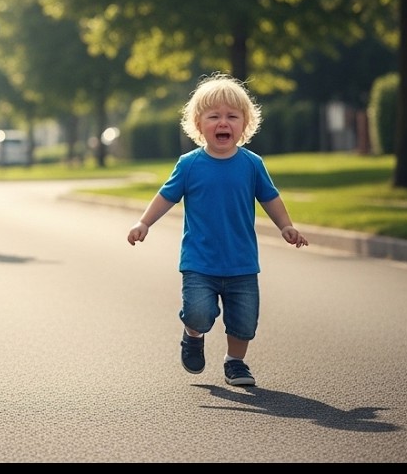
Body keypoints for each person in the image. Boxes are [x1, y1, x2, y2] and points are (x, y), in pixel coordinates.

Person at [126, 72, 308, 388]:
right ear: (199, 125)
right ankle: (192, 335)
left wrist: (286, 226)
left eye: (232, 116)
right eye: (214, 116)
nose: (223, 122)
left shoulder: (252, 164)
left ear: (244, 123)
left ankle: (235, 362)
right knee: (198, 312)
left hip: (242, 263)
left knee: (244, 322)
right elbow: (166, 196)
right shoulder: (189, 164)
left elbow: (270, 197)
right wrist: (144, 222)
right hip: (199, 262)